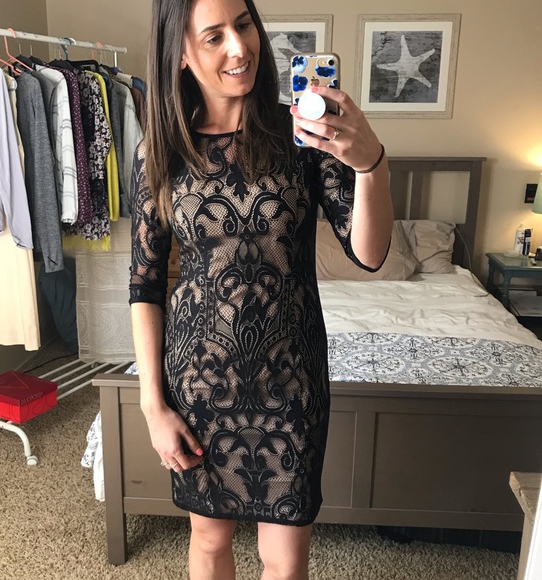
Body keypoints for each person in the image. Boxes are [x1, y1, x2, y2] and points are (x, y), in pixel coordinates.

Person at [129, 0, 393, 578]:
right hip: (200, 382)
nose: (239, 47)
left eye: (244, 25)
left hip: (291, 382)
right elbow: (145, 285)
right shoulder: (160, 151)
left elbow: (369, 254)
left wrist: (371, 164)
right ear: (180, 53)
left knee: (285, 560)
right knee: (208, 541)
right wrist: (153, 405)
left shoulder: (303, 135)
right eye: (214, 36)